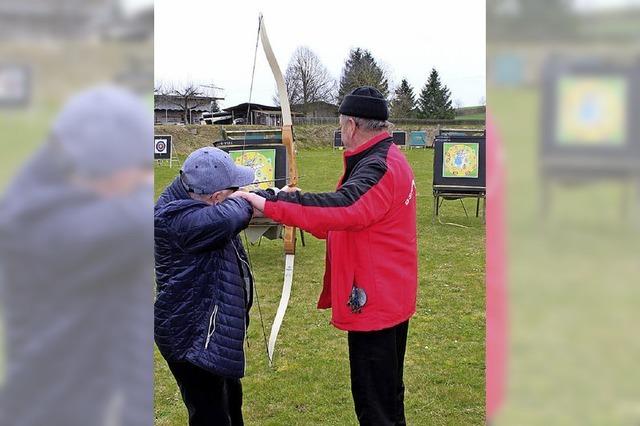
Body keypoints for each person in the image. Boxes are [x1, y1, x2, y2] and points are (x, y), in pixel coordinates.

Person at [235, 86, 418, 425]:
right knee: (386, 396)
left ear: (350, 126)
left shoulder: (379, 166)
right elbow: (346, 215)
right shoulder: (381, 159)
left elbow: (345, 208)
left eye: (340, 125)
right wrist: (294, 201)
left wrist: (272, 204)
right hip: (387, 295)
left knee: (376, 405)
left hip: (376, 301)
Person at [154, 147, 261, 426]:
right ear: (215, 198)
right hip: (192, 339)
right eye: (233, 189)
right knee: (211, 417)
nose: (239, 191)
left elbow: (228, 212)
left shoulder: (193, 198)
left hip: (209, 333)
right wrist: (260, 199)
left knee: (230, 405)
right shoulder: (177, 220)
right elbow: (231, 215)